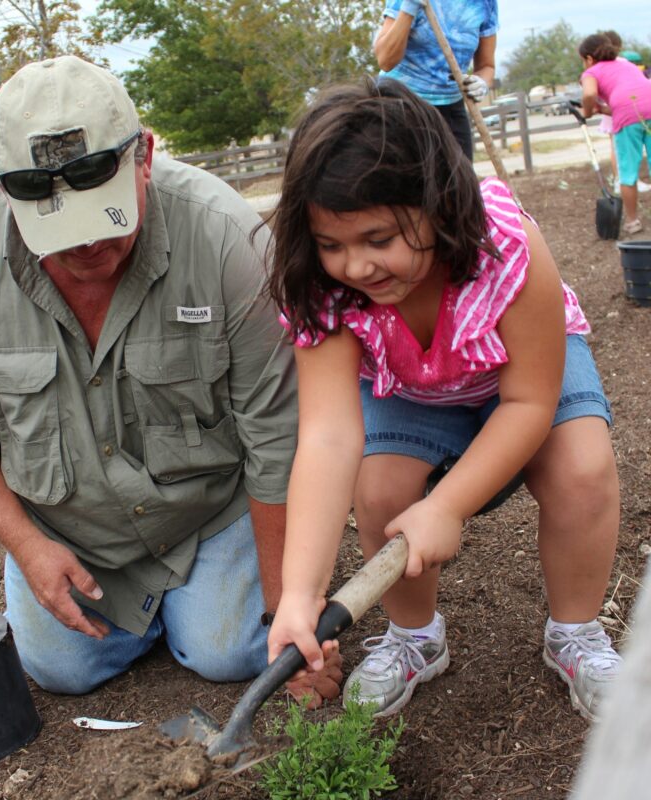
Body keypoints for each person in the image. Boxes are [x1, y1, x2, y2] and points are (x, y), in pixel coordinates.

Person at [0, 55, 341, 705]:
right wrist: (27, 547)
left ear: (146, 156)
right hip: (66, 528)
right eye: (59, 229)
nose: (85, 249)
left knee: (233, 652)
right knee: (62, 670)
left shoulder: (225, 240)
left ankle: (206, 602)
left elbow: (276, 436)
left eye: (103, 217)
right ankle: (167, 607)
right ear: (3, 186)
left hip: (207, 512)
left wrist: (284, 613)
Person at [264, 78, 622, 723]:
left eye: (379, 239)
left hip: (522, 373)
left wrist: (447, 505)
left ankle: (576, 631)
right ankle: (414, 637)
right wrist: (298, 595)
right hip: (410, 381)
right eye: (331, 243)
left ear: (439, 204)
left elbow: (528, 403)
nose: (355, 267)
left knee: (582, 470)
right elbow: (327, 437)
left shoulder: (504, 243)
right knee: (380, 491)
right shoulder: (318, 284)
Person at [373, 0, 498, 160]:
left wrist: (481, 83)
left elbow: (487, 66)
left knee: (461, 181)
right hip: (399, 105)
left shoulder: (485, 3)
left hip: (451, 110)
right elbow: (385, 60)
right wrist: (409, 7)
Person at [580, 33, 651, 234]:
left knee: (627, 172)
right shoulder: (626, 64)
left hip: (628, 118)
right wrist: (602, 109)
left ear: (589, 59)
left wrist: (587, 111)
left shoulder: (591, 72)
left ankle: (632, 221)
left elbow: (589, 94)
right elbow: (633, 99)